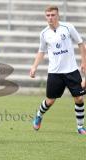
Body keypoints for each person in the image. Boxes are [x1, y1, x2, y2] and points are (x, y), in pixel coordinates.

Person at [29, 5, 86, 134]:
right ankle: (39, 115)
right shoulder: (44, 33)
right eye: (48, 15)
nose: (50, 18)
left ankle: (80, 127)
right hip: (55, 72)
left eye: (53, 15)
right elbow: (41, 51)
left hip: (71, 70)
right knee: (50, 101)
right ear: (45, 17)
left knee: (79, 99)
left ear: (58, 15)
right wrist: (34, 67)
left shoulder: (68, 27)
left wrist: (84, 61)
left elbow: (81, 44)